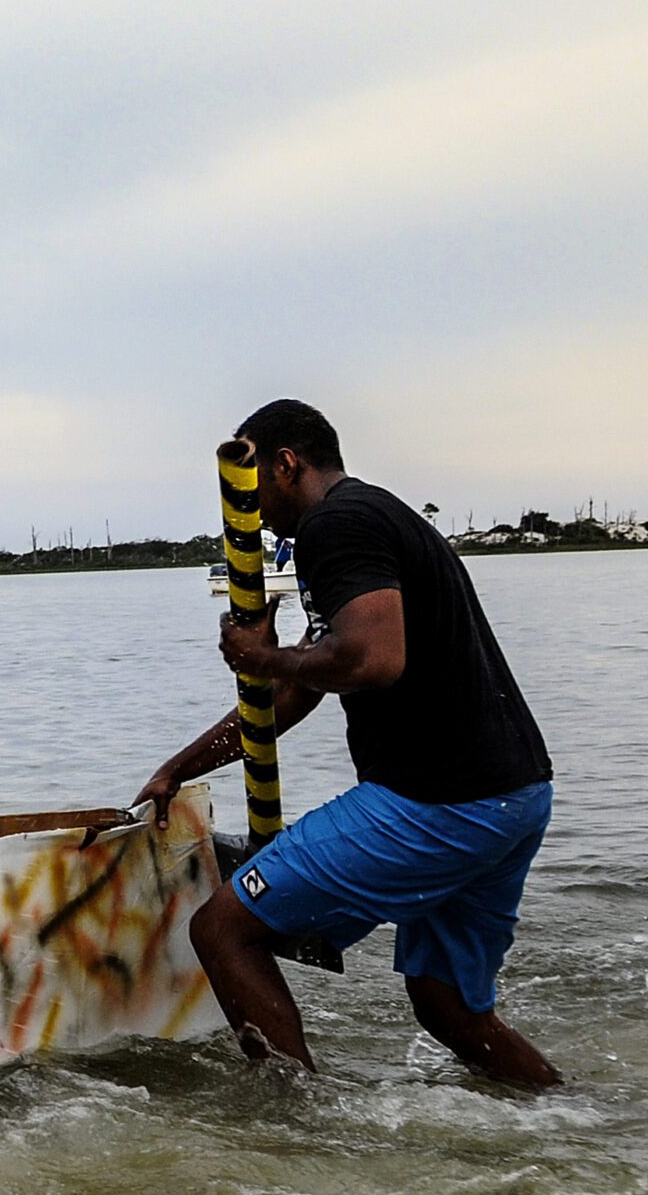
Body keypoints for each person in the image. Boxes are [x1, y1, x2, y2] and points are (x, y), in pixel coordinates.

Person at [133, 400, 560, 1087]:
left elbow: (371, 658)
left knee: (222, 929)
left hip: (439, 801)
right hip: (514, 798)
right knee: (447, 1006)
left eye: (253, 483)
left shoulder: (337, 524)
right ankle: (568, 1113)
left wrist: (262, 657)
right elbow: (304, 687)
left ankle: (298, 1124)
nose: (251, 505)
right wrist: (179, 769)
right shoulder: (365, 518)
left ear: (285, 463)